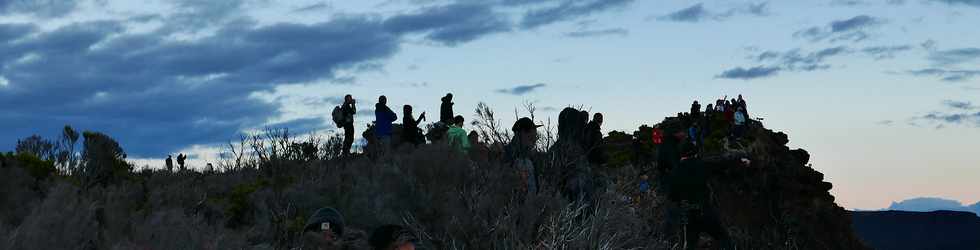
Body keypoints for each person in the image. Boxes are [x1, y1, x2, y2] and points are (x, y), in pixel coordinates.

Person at [667, 154, 732, 249]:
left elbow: (672, 196)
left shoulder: (676, 170)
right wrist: (739, 161)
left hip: (688, 214)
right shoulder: (701, 164)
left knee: (690, 243)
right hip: (704, 210)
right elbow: (720, 164)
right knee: (723, 238)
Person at [506, 117, 542, 194]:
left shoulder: (531, 157)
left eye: (535, 137)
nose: (535, 141)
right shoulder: (506, 155)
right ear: (522, 133)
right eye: (532, 138)